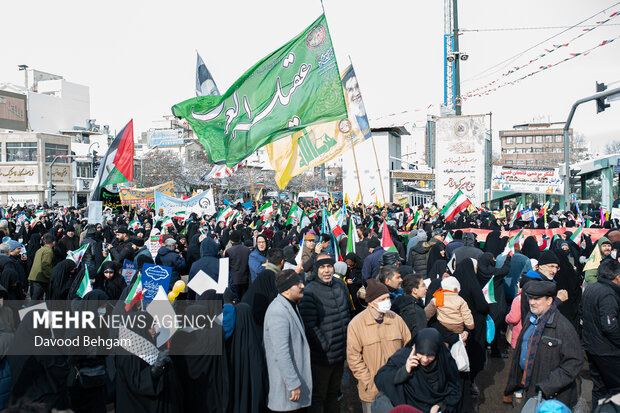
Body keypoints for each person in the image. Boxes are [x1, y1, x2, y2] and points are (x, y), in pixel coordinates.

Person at [504, 281, 584, 408]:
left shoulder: (563, 327)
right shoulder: (530, 320)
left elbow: (574, 362)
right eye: (530, 298)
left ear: (549, 301)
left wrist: (547, 386)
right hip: (531, 389)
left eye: (537, 299)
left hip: (552, 399)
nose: (531, 302)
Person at [347, 278, 411, 413]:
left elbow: (408, 347)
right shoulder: (356, 324)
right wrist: (368, 382)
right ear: (371, 302)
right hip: (372, 391)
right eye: (382, 299)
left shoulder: (396, 319)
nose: (387, 302)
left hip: (397, 386)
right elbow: (354, 358)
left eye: (388, 298)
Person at [299, 254, 351, 413]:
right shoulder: (310, 292)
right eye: (322, 267)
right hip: (322, 358)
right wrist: (325, 347)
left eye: (329, 266)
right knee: (318, 396)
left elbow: (347, 312)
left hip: (340, 354)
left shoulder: (339, 285)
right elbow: (310, 326)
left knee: (334, 394)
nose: (326, 271)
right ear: (316, 270)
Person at [374, 328, 462, 413]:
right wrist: (405, 371)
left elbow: (455, 389)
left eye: (430, 355)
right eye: (421, 353)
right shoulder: (403, 357)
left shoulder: (444, 361)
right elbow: (380, 379)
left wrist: (441, 405)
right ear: (415, 347)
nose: (425, 359)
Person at [264, 269, 311, 412]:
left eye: (301, 282)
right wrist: (293, 383)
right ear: (286, 289)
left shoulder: (291, 304)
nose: (302, 286)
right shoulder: (277, 311)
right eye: (297, 283)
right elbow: (281, 353)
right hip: (287, 389)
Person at [581, 259, 620, 406]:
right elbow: (609, 326)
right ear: (617, 277)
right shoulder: (608, 294)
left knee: (598, 387)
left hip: (592, 346)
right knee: (614, 388)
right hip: (607, 351)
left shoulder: (591, 288)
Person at [392, 274, 428, 339]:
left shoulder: (400, 303)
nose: (426, 288)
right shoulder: (416, 311)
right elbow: (421, 336)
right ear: (414, 290)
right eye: (423, 286)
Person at [27, 233, 55, 300]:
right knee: (37, 297)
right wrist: (49, 276)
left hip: (35, 275)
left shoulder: (40, 250)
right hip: (41, 277)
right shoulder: (48, 251)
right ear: (53, 242)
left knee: (36, 296)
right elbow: (46, 265)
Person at [225, 230, 251, 301]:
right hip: (245, 280)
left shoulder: (229, 251)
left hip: (234, 281)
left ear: (231, 240)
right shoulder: (247, 250)